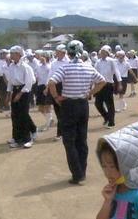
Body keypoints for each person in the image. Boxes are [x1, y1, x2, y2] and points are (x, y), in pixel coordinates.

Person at [48, 40, 106, 185]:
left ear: (68, 52)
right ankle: (82, 171)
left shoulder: (65, 67)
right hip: (83, 105)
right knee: (82, 140)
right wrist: (90, 93)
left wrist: (56, 98)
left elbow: (51, 82)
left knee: (69, 141)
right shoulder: (88, 67)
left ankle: (77, 174)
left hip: (68, 105)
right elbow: (102, 81)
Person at [6, 46, 37, 149]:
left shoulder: (25, 67)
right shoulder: (11, 66)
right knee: (14, 115)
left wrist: (20, 94)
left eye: (13, 53)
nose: (11, 55)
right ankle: (16, 138)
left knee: (23, 115)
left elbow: (29, 83)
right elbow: (10, 81)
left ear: (19, 54)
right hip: (15, 90)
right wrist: (9, 94)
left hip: (24, 91)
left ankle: (27, 139)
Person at [94, 45, 121, 128]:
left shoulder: (111, 61)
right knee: (97, 103)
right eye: (101, 52)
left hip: (108, 84)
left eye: (103, 52)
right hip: (99, 84)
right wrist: (94, 84)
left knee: (109, 104)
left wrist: (119, 83)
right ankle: (106, 117)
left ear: (107, 53)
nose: (101, 53)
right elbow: (95, 73)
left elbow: (116, 71)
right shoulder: (98, 62)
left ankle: (111, 122)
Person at [48, 44, 69, 141]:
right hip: (55, 87)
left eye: (57, 51)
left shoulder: (69, 62)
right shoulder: (54, 63)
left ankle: (60, 133)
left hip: (65, 87)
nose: (56, 53)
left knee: (64, 111)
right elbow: (50, 75)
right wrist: (46, 87)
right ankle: (63, 132)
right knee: (57, 110)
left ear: (63, 52)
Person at [35, 51, 53, 132]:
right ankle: (49, 119)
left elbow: (50, 77)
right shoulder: (38, 66)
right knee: (40, 107)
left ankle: (47, 124)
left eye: (43, 57)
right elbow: (36, 76)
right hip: (39, 86)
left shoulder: (49, 66)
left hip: (46, 86)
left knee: (47, 106)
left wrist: (47, 87)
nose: (40, 58)